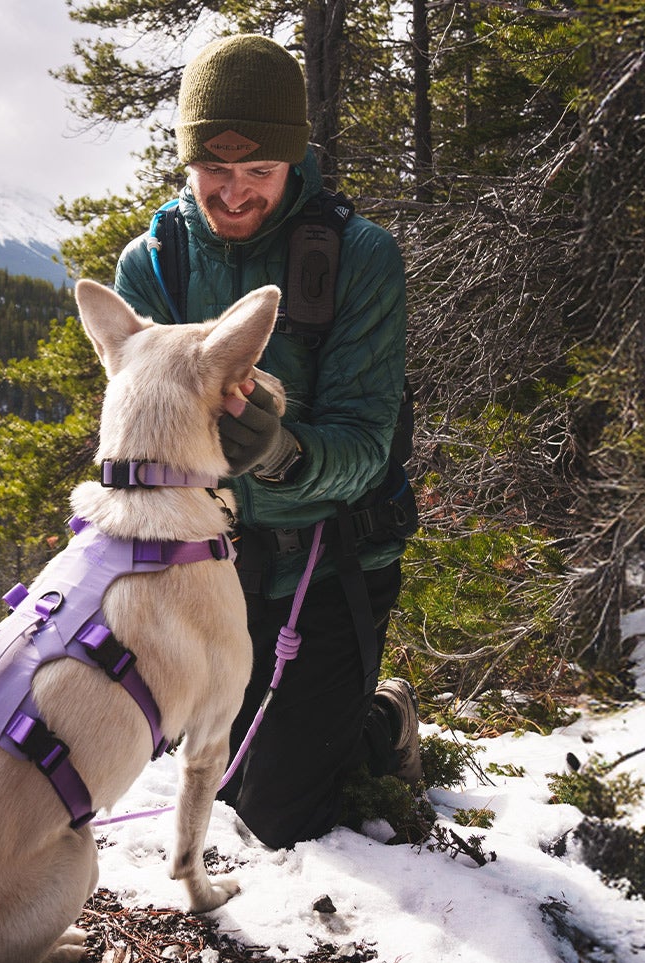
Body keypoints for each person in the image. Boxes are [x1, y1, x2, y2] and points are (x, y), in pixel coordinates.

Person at [112, 34, 419, 850]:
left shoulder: (358, 259)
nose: (235, 194)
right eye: (216, 172)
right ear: (188, 161)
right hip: (214, 566)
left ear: (294, 160)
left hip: (333, 560)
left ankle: (382, 720)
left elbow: (364, 444)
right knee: (216, 777)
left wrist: (278, 453)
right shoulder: (154, 265)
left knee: (273, 817)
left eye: (258, 173)